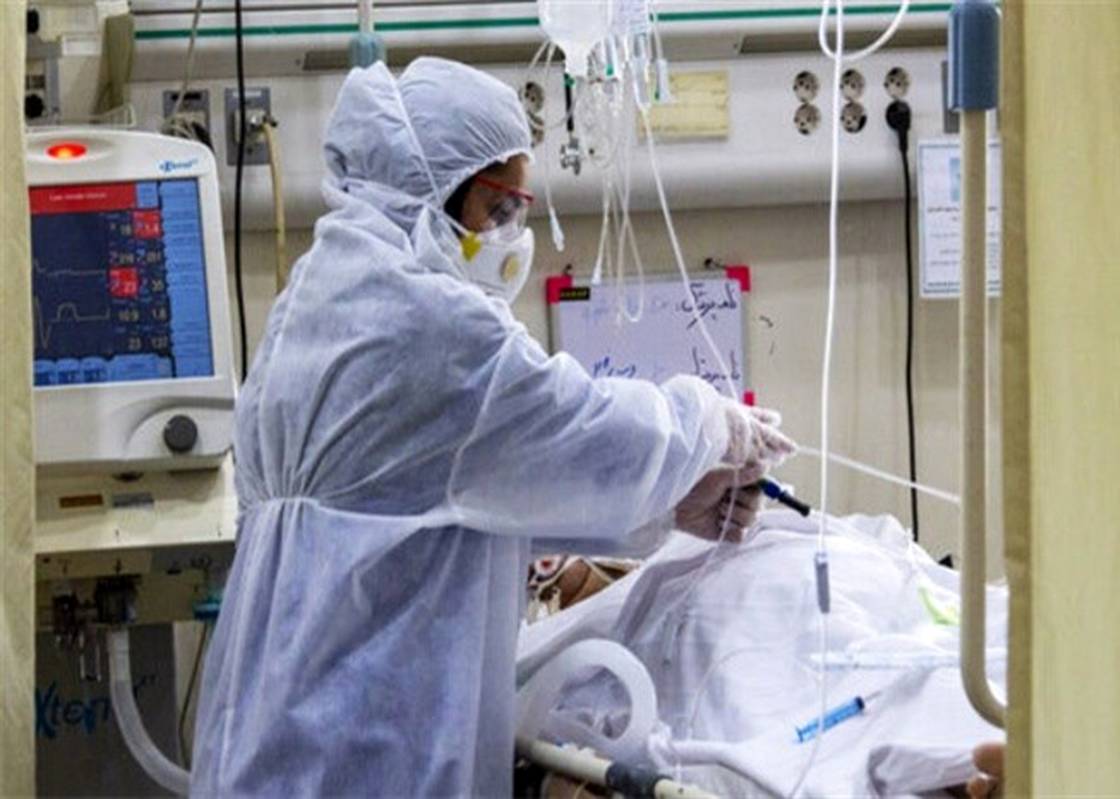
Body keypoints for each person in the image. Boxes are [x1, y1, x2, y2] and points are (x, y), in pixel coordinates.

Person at [190, 57, 796, 797]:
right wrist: (712, 423)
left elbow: (435, 504)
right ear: (428, 188)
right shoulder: (428, 326)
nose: (512, 233)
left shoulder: (321, 300)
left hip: (271, 732)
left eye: (519, 209)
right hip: (356, 750)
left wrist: (672, 507)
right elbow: (580, 426)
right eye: (497, 207)